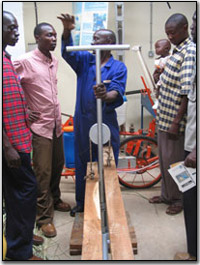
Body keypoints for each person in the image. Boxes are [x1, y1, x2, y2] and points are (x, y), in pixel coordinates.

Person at [57, 13, 127, 217]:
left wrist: (106, 95)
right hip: (83, 121)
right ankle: (83, 202)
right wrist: (68, 31)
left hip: (106, 122)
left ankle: (108, 203)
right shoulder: (85, 60)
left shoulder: (118, 67)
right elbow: (67, 54)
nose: (92, 42)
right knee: (84, 161)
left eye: (97, 39)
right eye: (93, 38)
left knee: (106, 161)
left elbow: (117, 90)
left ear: (109, 42)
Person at [13, 22, 71, 238]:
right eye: (49, 35)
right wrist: (24, 109)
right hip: (39, 128)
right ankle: (44, 218)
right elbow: (9, 84)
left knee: (58, 165)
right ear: (37, 37)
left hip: (56, 124)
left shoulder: (53, 61)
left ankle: (55, 199)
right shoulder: (24, 61)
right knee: (42, 173)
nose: (54, 39)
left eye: (56, 35)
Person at [3, 11, 43, 260]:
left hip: (20, 138)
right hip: (12, 146)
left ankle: (22, 235)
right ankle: (19, 251)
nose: (17, 33)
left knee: (18, 195)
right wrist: (6, 146)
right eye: (11, 28)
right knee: (25, 193)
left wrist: (24, 113)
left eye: (17, 28)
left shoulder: (6, 59)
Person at [149, 13, 196, 215]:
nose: (169, 37)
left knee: (177, 163)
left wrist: (177, 121)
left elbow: (187, 90)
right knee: (165, 161)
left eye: (173, 33)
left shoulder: (189, 51)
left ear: (185, 28)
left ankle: (180, 199)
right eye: (167, 33)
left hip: (175, 121)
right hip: (164, 118)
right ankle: (167, 194)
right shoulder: (177, 51)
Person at [174, 11, 196, 261]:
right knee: (190, 203)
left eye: (196, 21)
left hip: (195, 151)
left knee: (192, 203)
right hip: (191, 146)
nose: (193, 27)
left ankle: (194, 255)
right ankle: (193, 251)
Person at [152, 39, 171, 109]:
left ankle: (160, 100)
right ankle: (157, 100)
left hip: (166, 78)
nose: (156, 50)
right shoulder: (159, 59)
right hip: (160, 77)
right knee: (158, 89)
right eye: (155, 48)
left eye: (157, 47)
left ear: (166, 49)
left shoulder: (170, 58)